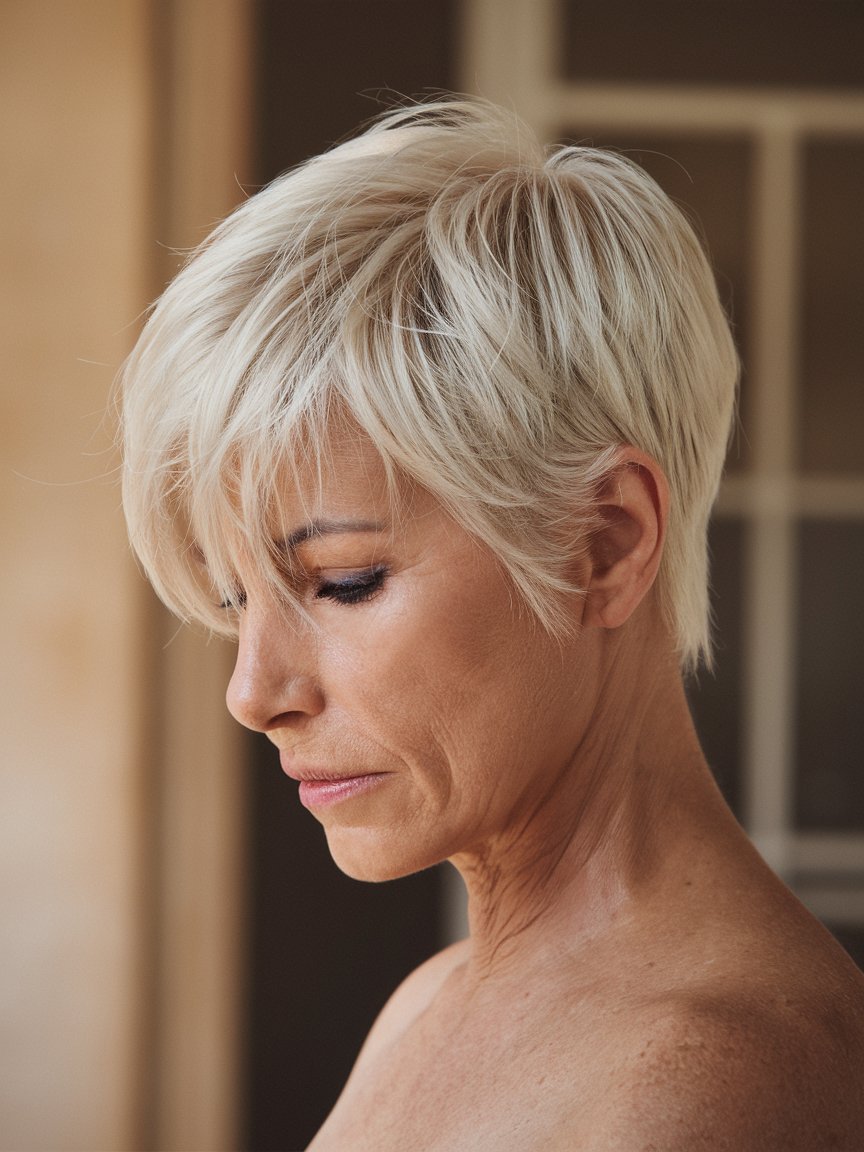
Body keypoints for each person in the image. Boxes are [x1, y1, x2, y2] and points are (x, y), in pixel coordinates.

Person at [121, 99, 864, 1149]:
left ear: (603, 543)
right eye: (239, 598)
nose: (253, 693)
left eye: (343, 580)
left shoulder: (711, 1087)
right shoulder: (428, 1005)